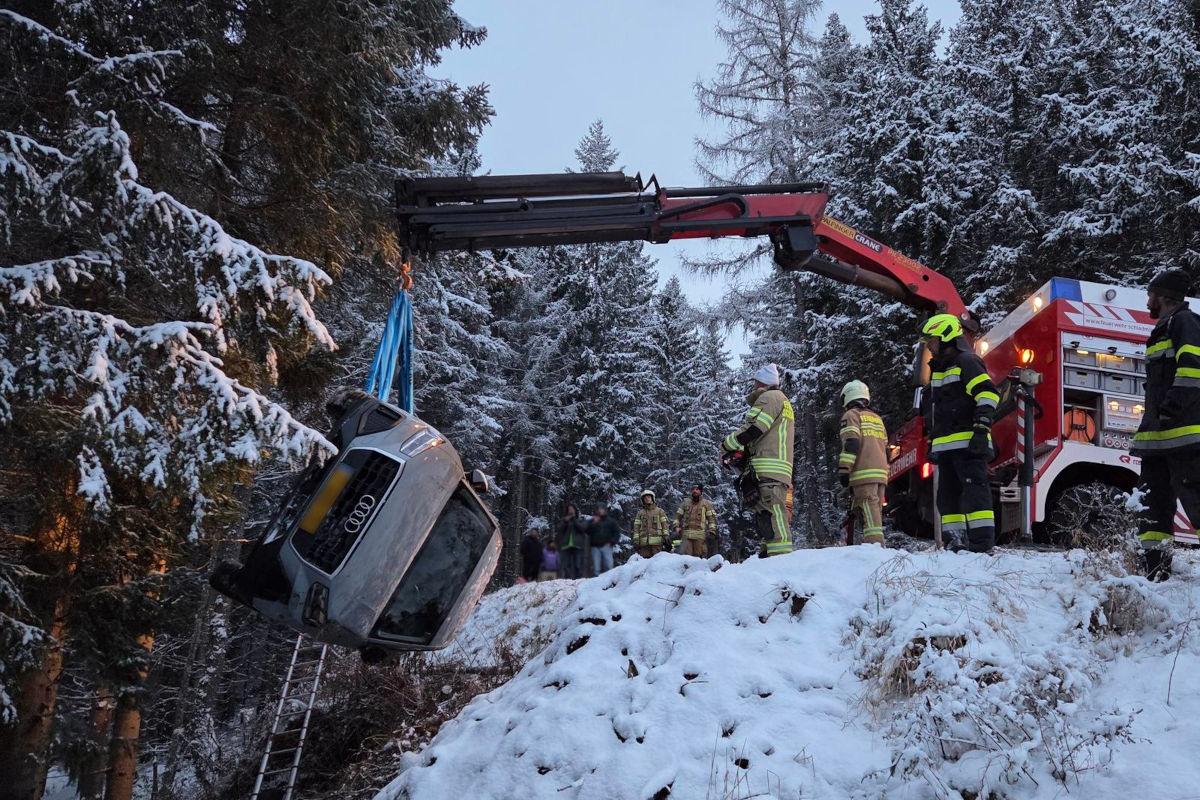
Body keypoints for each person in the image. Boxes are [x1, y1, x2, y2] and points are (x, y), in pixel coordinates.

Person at [1130, 268, 1200, 581]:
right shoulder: (1162, 329)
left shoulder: (1184, 322)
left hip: (1183, 436)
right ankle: (1154, 572)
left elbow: (1192, 370)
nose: (1148, 299)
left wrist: (1172, 409)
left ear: (1163, 296)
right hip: (1157, 439)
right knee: (1152, 506)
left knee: (1196, 501)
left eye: (1151, 294)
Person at [920, 313, 999, 553]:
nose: (929, 346)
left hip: (969, 444)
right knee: (947, 499)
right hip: (946, 449)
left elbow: (988, 395)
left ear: (945, 336)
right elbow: (937, 412)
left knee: (976, 497)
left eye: (931, 340)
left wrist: (981, 429)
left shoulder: (968, 361)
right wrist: (932, 442)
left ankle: (982, 547)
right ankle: (956, 545)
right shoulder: (938, 371)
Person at [720, 363, 795, 558]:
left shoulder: (769, 398)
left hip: (767, 469)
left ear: (762, 382)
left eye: (755, 383)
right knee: (767, 522)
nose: (753, 387)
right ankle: (767, 562)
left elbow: (754, 429)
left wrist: (727, 445)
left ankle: (782, 565)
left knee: (774, 517)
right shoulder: (782, 401)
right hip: (776, 469)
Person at [838, 380, 889, 546]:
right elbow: (886, 447)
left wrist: (845, 469)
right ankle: (875, 546)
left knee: (869, 514)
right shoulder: (876, 418)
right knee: (875, 513)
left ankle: (875, 549)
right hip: (881, 474)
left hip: (863, 473)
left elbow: (851, 443)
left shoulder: (851, 416)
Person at [674, 484, 717, 557]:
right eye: (693, 489)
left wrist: (712, 530)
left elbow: (711, 519)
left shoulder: (706, 504)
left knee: (699, 556)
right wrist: (676, 526)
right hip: (686, 534)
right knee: (686, 557)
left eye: (697, 489)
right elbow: (677, 517)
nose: (694, 491)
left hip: (699, 535)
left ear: (701, 491)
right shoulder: (685, 502)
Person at [633, 489, 670, 558]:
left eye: (649, 497)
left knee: (657, 563)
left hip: (657, 544)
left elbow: (665, 525)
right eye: (645, 498)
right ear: (643, 500)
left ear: (652, 498)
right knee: (644, 564)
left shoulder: (659, 511)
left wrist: (666, 537)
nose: (647, 499)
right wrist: (636, 541)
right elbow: (636, 527)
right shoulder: (640, 513)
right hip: (644, 544)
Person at [556, 503, 588, 579]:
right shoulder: (564, 520)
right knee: (566, 565)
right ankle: (567, 581)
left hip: (578, 544)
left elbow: (583, 528)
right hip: (566, 545)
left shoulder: (580, 519)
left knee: (577, 564)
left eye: (572, 509)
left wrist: (574, 520)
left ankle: (578, 580)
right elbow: (559, 529)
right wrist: (565, 521)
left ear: (575, 510)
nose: (570, 511)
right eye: (569, 509)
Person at [588, 504, 620, 575]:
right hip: (595, 547)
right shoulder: (592, 521)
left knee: (608, 566)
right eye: (598, 509)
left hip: (607, 546)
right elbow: (586, 531)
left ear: (605, 510)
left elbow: (617, 533)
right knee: (596, 568)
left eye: (601, 509)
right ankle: (597, 584)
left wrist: (612, 542)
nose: (600, 511)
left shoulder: (611, 521)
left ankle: (609, 583)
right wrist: (593, 523)